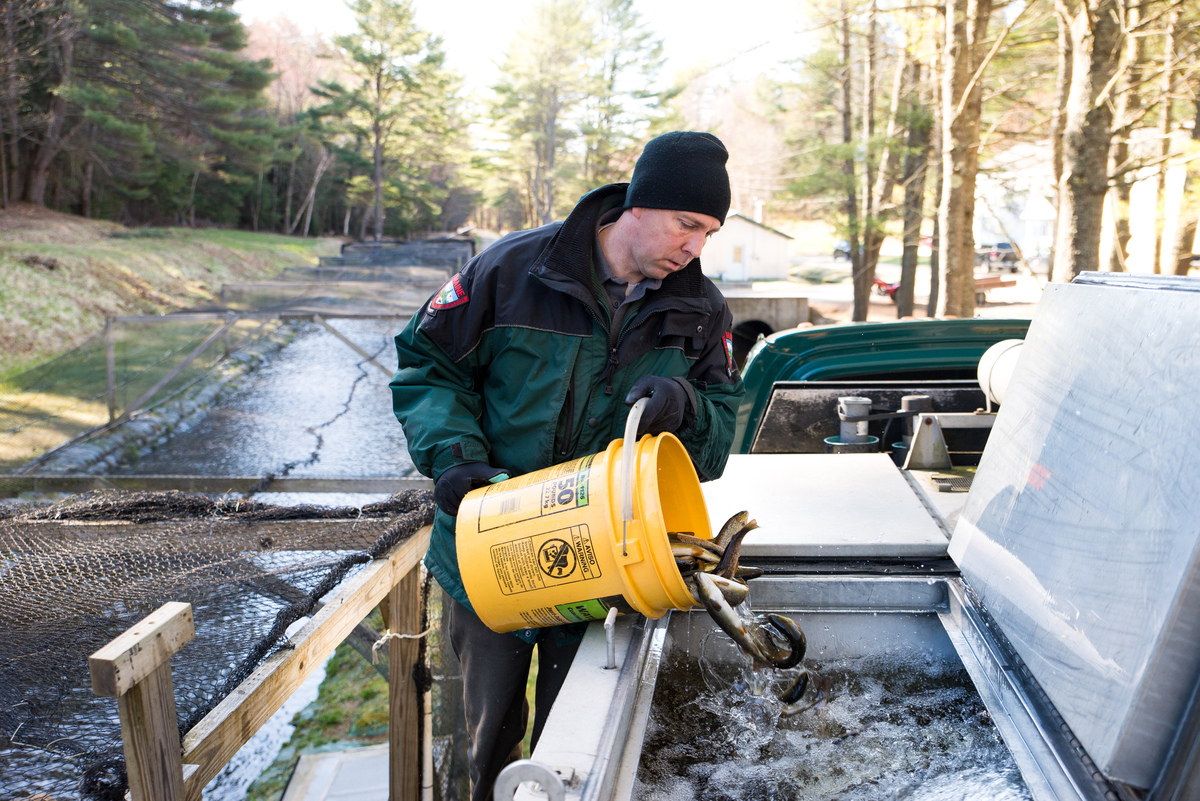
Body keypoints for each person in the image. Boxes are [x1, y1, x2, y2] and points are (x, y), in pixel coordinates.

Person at [390, 130, 746, 801]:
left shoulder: (703, 311)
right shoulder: (510, 269)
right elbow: (428, 370)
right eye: (687, 224)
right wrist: (454, 458)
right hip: (485, 548)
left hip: (605, 563)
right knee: (487, 742)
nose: (695, 247)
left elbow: (720, 438)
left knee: (577, 743)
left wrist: (686, 403)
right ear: (638, 204)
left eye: (708, 233)